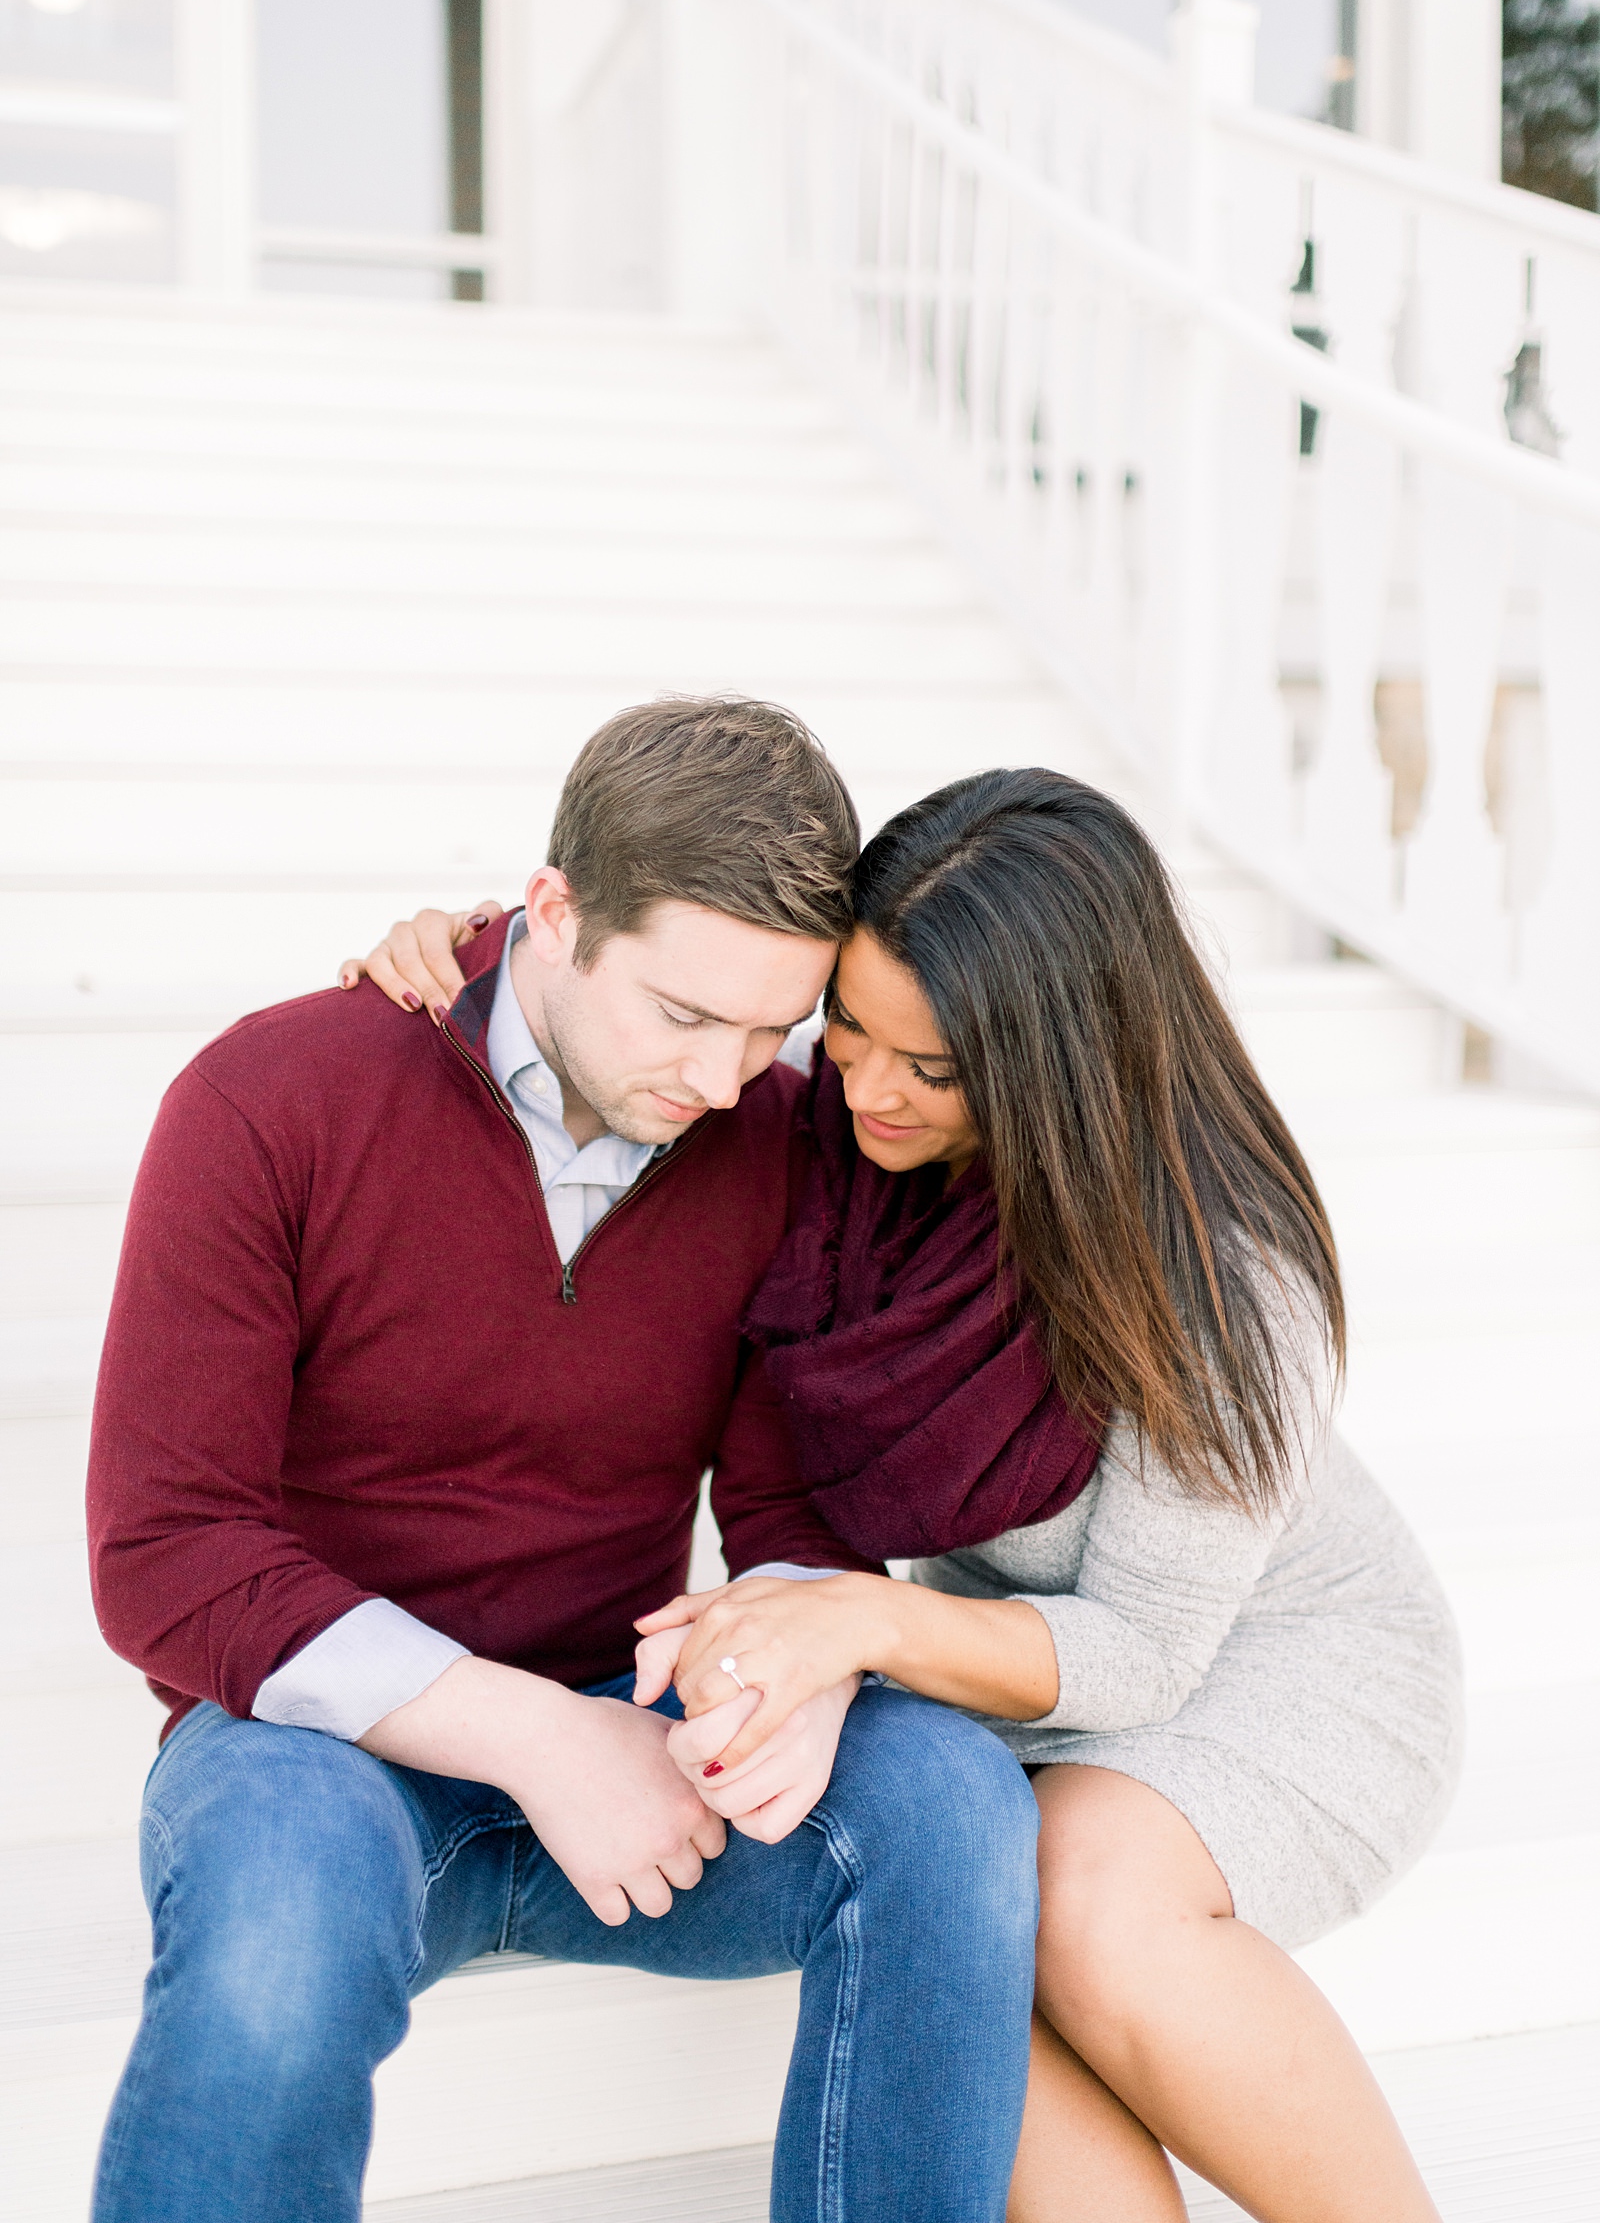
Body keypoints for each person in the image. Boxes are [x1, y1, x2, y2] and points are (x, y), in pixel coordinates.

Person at [367, 768, 1463, 2223]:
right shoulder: (835, 1143)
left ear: (1055, 1063)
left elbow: (1140, 1654)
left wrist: (854, 1626)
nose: (869, 1092)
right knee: (959, 1914)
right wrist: (496, 958)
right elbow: (658, 995)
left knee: (1080, 1895)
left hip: (1279, 1662)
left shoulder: (1218, 1279)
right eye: (850, 1034)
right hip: (1016, 1668)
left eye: (934, 1069)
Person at [86, 698, 1043, 2223]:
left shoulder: (778, 1141)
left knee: (951, 1801)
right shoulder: (269, 1099)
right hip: (314, 1755)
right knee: (267, 1943)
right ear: (551, 913)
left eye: (769, 1028)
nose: (727, 1081)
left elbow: (792, 1504)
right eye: (683, 1015)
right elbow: (167, 1552)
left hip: (641, 1735)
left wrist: (798, 1667)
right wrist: (534, 1738)